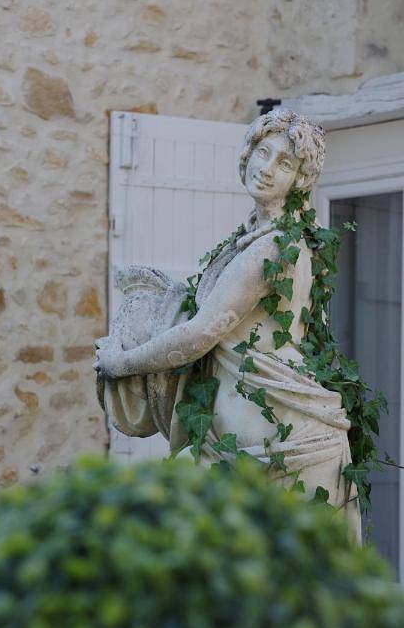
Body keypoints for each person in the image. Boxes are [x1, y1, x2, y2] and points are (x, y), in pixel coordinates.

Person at [95, 108, 360, 540]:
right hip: (260, 423)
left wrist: (121, 363)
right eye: (264, 151)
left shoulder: (273, 248)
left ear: (300, 180)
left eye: (286, 163)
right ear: (249, 151)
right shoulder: (271, 238)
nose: (267, 168)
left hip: (274, 432)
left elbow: (201, 333)